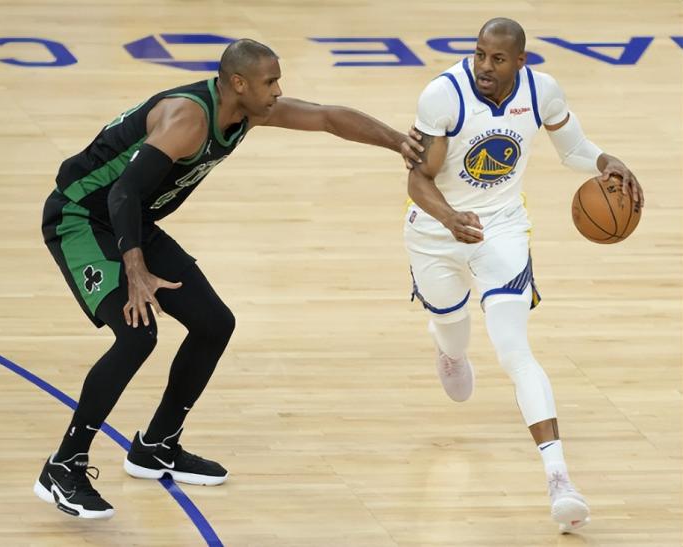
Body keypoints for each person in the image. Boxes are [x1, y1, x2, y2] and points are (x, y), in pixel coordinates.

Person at [35, 38, 421, 519]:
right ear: (238, 83)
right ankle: (64, 465)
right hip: (82, 217)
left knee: (214, 323)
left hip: (133, 221)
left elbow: (327, 117)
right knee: (137, 335)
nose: (278, 91)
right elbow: (122, 193)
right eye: (270, 81)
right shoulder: (188, 120)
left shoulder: (246, 112)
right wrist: (135, 269)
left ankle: (157, 445)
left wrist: (398, 142)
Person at [404, 17, 643, 533]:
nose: (484, 66)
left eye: (497, 59)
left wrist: (606, 160)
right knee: (451, 327)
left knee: (515, 351)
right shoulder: (443, 95)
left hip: (503, 230)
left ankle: (560, 480)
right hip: (435, 230)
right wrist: (451, 218)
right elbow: (418, 180)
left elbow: (572, 149)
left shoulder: (541, 91)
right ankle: (449, 349)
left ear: (520, 61)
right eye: (479, 55)